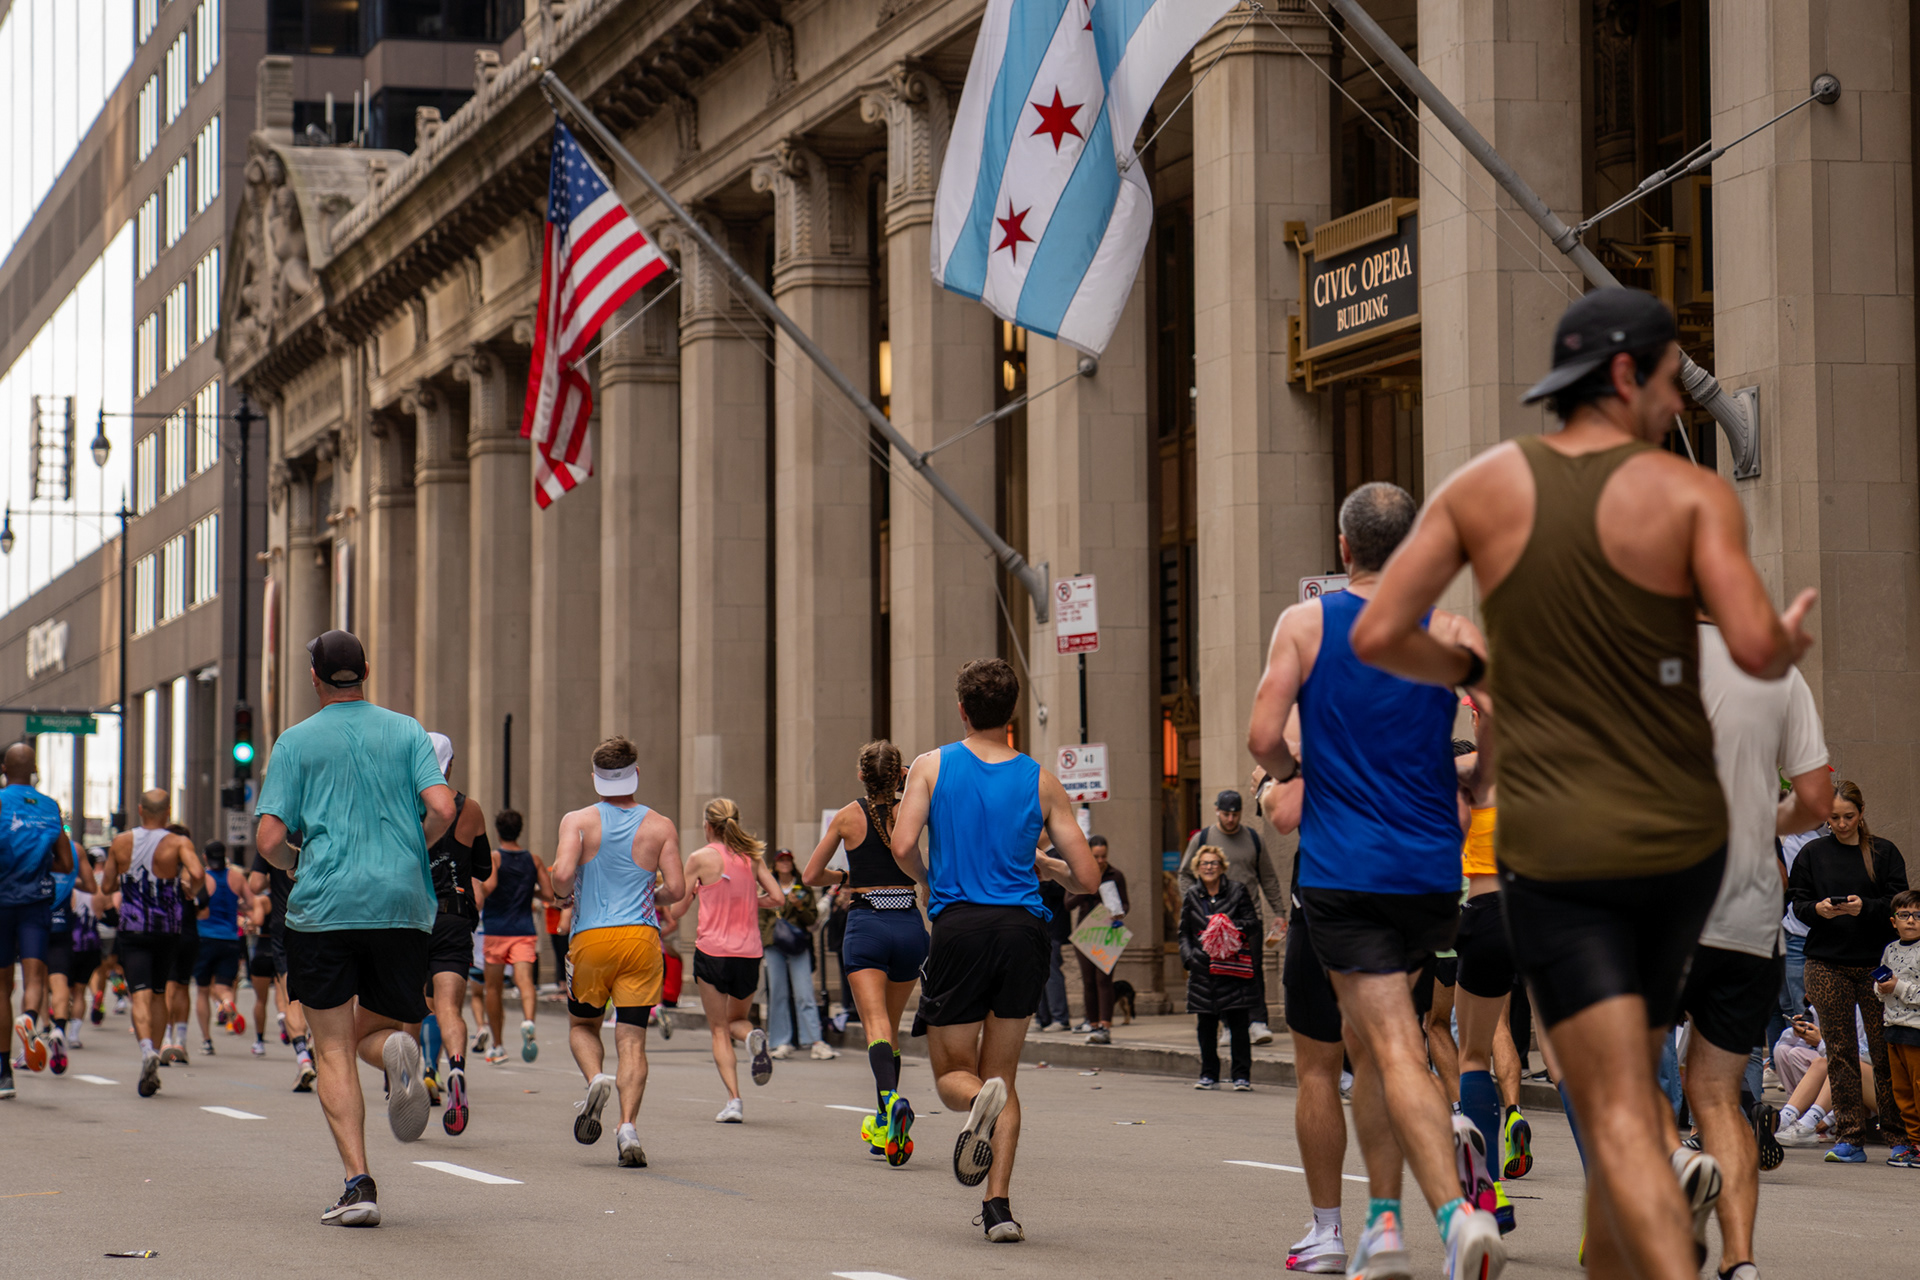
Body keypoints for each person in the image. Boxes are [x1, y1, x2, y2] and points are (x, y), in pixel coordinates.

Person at [1348, 288, 1815, 1278]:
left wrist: (1477, 672)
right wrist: (1784, 635)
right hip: (1683, 842)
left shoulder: (1483, 487)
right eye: (1671, 377)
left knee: (1615, 1116)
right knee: (1624, 1103)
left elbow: (1379, 632)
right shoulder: (1693, 495)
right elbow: (1756, 645)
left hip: (1565, 843)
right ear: (1621, 375)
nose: (1680, 399)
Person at [1248, 481, 1505, 1278]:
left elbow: (1263, 736)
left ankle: (1454, 1219)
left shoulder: (1307, 623)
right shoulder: (1451, 627)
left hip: (1345, 871)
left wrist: (1293, 770)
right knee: (1390, 1046)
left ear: (1344, 547)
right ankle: (1384, 1227)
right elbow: (1500, 714)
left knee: (1390, 1049)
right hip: (1432, 877)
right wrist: (1475, 784)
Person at [890, 657, 1099, 1244]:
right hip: (1023, 932)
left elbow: (904, 843)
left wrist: (927, 878)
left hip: (960, 928)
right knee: (1004, 1076)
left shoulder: (932, 766)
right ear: (1012, 715)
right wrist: (1044, 866)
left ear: (962, 710)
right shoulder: (1040, 778)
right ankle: (999, 1208)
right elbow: (1086, 877)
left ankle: (977, 1099)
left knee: (954, 1075)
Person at [254, 629, 455, 1227]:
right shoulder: (408, 730)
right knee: (381, 1025)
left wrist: (299, 861)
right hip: (402, 904)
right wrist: (411, 850)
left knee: (332, 1046)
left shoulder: (295, 742)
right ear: (366, 669)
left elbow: (269, 840)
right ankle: (396, 1050)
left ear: (314, 678)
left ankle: (359, 1183)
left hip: (324, 906)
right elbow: (443, 807)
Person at [1679, 611, 1831, 1277]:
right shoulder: (1777, 669)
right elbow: (1817, 799)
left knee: (1618, 1079)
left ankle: (1680, 1163)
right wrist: (1756, 819)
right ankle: (1740, 1261)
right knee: (1717, 1093)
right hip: (1750, 915)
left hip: (1662, 907)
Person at [552, 736, 684, 1168]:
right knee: (632, 1039)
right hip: (642, 939)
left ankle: (595, 1079)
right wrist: (651, 895)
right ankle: (627, 1127)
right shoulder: (661, 825)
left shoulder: (578, 821)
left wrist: (562, 894)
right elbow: (677, 890)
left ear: (595, 778)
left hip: (591, 939)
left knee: (582, 1025)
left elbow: (563, 877)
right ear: (636, 774)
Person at [805, 739, 930, 1164]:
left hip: (867, 923)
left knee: (875, 1025)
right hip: (910, 923)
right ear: (899, 775)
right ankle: (884, 1128)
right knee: (891, 1027)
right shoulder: (912, 810)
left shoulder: (847, 817)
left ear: (861, 774)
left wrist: (844, 874)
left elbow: (810, 874)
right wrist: (909, 782)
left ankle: (890, 1101)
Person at [1786, 780, 1911, 1163]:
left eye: (1848, 817)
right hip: (1826, 962)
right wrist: (1819, 910)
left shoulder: (1883, 852)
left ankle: (1898, 1135)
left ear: (1861, 813)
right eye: (1834, 818)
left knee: (1882, 1048)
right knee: (1839, 1051)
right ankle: (1850, 1136)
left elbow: (1899, 901)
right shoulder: (1812, 853)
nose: (1841, 825)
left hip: (1875, 963)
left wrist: (1866, 908)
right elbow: (1797, 902)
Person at [1256, 767, 1349, 1274]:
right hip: (1407, 894)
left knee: (1318, 1072)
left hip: (1329, 893)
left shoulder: (1319, 706)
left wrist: (1266, 784)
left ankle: (1328, 1229)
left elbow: (1285, 813)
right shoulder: (1422, 697)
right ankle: (1459, 1211)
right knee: (1400, 1057)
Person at [666, 797, 784, 1122]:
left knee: (718, 1029)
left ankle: (734, 1101)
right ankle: (753, 1037)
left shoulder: (700, 858)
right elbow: (778, 898)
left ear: (708, 825)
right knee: (737, 1022)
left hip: (713, 952)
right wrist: (749, 900)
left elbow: (676, 910)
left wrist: (691, 894)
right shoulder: (752, 858)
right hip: (748, 953)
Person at [418, 731, 490, 1132]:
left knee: (412, 1004)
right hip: (456, 916)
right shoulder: (470, 809)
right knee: (449, 1007)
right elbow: (483, 869)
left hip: (414, 917)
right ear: (452, 763)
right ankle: (456, 1069)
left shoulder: (407, 806)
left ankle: (407, 1079)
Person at [108, 792, 201, 1097]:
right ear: (167, 811)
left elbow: (107, 885)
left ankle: (147, 1048)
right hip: (167, 929)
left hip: (133, 928)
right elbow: (197, 873)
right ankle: (156, 1059)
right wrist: (189, 889)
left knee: (140, 995)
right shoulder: (178, 843)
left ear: (139, 809)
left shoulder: (121, 842)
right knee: (160, 992)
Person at [0, 740, 78, 1095]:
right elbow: (65, 863)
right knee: (35, 977)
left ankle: (3, 1074)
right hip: (35, 903)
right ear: (34, 771)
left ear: (4, 769)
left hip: (1, 902)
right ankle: (29, 1019)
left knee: (2, 987)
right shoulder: (49, 807)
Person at [1178, 789, 1285, 1044]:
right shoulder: (1203, 838)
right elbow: (1184, 875)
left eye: (1235, 814)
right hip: (1213, 921)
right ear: (1217, 811)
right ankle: (1227, 1025)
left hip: (1249, 917)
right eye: (1226, 814)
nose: (1230, 819)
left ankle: (1258, 1023)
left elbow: (1268, 878)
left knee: (1253, 969)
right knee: (1221, 972)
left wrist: (1279, 912)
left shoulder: (1253, 839)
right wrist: (1194, 906)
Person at [1180, 846, 1259, 1089]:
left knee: (1238, 1023)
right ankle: (1209, 1074)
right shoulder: (1193, 895)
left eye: (1214, 863)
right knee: (1206, 1025)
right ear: (1197, 868)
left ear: (1222, 866)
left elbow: (1252, 922)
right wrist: (1190, 958)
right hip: (1203, 969)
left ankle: (1241, 1075)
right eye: (1204, 863)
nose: (1209, 867)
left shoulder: (1237, 890)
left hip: (1231, 966)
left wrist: (1228, 928)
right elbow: (1184, 932)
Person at [480, 808, 554, 1066]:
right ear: (519, 830)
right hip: (523, 930)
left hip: (496, 929)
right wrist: (528, 892)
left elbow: (488, 888)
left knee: (493, 988)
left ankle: (498, 1046)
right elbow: (548, 894)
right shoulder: (533, 860)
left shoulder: (495, 858)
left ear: (498, 831)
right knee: (525, 982)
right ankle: (529, 1021)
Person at [249, 841, 314, 1089]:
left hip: (286, 921)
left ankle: (303, 1057)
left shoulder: (276, 836)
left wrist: (274, 876)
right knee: (322, 992)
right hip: (322, 919)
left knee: (291, 997)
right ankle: (316, 1041)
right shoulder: (321, 824)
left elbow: (255, 884)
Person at [760, 847, 833, 1060]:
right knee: (778, 994)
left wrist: (799, 906)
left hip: (798, 944)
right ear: (775, 864)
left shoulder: (802, 887)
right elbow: (760, 916)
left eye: (788, 860)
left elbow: (812, 920)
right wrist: (767, 939)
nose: (785, 864)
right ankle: (781, 1041)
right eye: (781, 860)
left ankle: (815, 1040)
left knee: (805, 993)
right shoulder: (767, 886)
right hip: (774, 945)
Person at [1873, 889, 1920, 1167]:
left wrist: (1898, 987)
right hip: (1893, 1029)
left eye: (1918, 915)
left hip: (1917, 1032)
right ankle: (1914, 1143)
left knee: (1918, 1088)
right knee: (1902, 1092)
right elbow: (1881, 990)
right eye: (1904, 915)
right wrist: (1881, 988)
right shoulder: (1890, 949)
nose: (1911, 921)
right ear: (1894, 921)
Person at [1067, 836, 1128, 1045]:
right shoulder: (1079, 873)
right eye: (1096, 856)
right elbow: (1068, 903)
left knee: (1105, 979)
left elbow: (1126, 904)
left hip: (1108, 931)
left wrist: (1119, 912)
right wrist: (1086, 888)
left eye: (1103, 856)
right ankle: (1092, 1024)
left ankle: (1105, 1025)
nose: (1100, 860)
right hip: (1086, 931)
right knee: (1089, 980)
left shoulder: (1115, 875)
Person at [194, 841, 253, 1054]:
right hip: (230, 939)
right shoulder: (236, 877)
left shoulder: (203, 878)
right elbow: (252, 903)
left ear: (205, 857)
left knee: (202, 991)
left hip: (205, 938)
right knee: (224, 986)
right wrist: (236, 906)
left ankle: (207, 1040)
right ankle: (227, 1002)